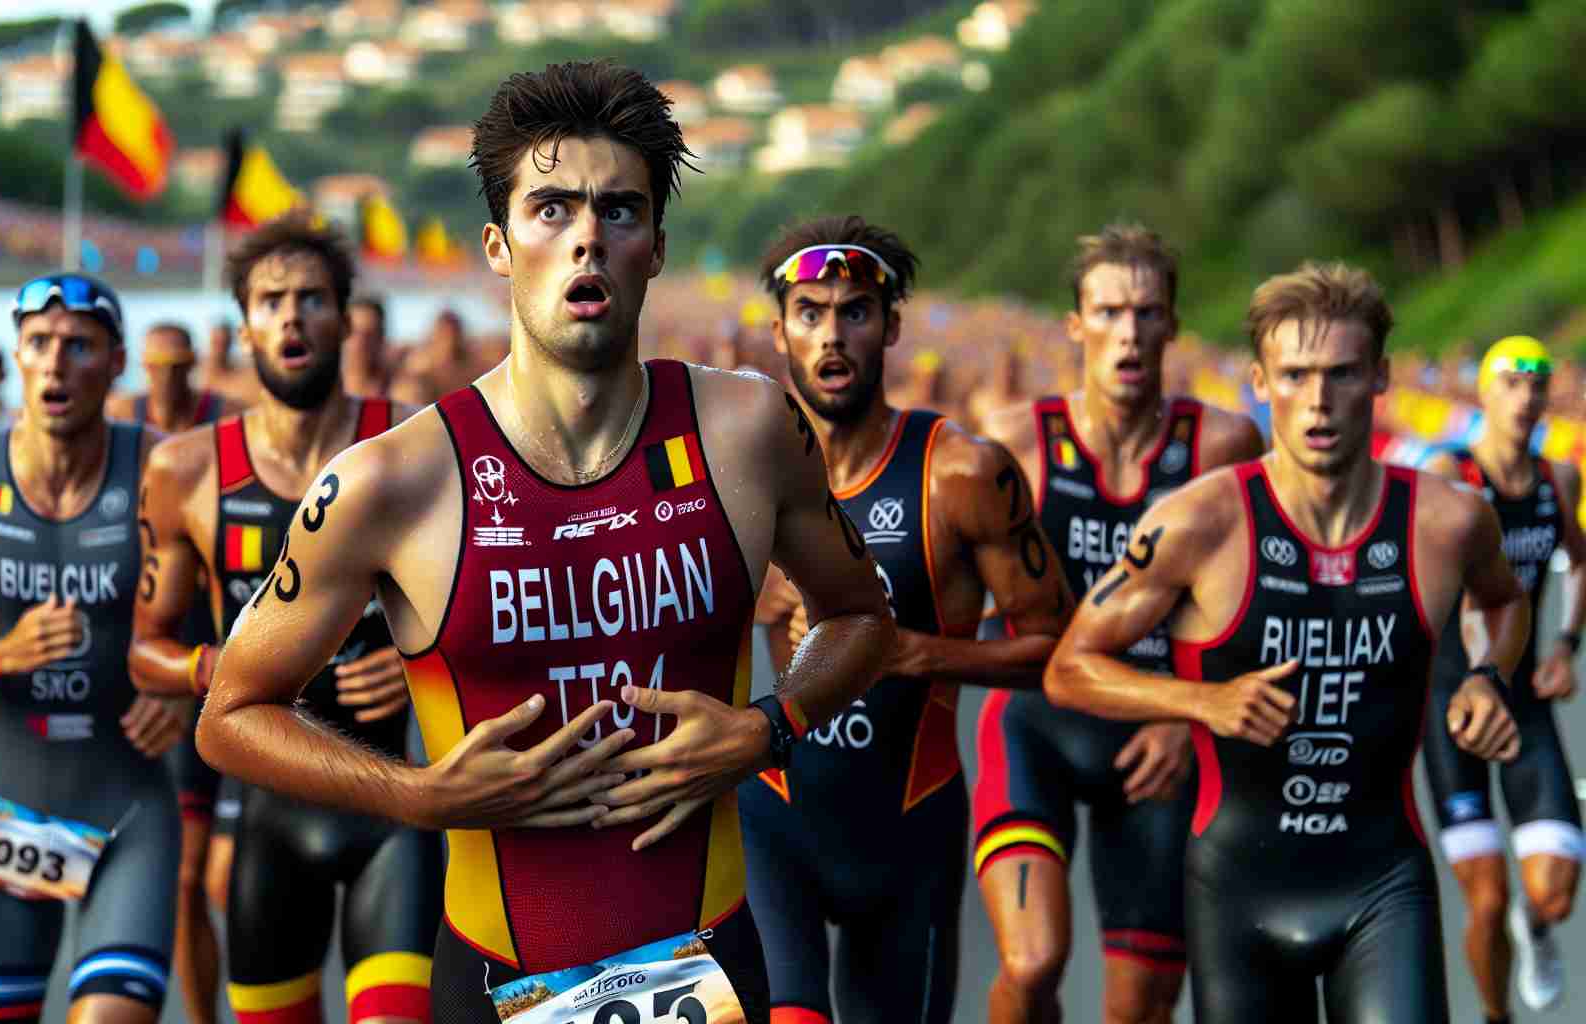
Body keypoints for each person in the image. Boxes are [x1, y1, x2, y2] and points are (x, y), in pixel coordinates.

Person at [197, 62, 895, 1024]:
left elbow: (862, 617)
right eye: (552, 210)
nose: (586, 242)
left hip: (715, 971)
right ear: (498, 243)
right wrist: (418, 795)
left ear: (655, 247)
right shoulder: (391, 481)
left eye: (618, 212)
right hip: (493, 981)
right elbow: (229, 714)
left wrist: (771, 726)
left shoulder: (749, 431)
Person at [1045, 261, 1527, 1023]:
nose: (1318, 401)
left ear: (1380, 378)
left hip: (1382, 884)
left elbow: (1504, 602)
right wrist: (1200, 701)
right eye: (1295, 375)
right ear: (1261, 385)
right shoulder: (1200, 523)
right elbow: (1071, 668)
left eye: (1341, 374)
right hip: (1236, 894)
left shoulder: (1448, 521)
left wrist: (1487, 679)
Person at [744, 216, 1074, 1024]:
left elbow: (1061, 653)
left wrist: (914, 654)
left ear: (890, 326)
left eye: (854, 311)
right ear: (779, 328)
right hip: (776, 824)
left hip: (906, 834)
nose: (832, 336)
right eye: (811, 312)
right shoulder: (739, 473)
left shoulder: (962, 472)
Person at [128, 215, 440, 1024]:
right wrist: (224, 675)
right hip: (269, 821)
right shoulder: (186, 470)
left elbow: (483, 607)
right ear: (244, 327)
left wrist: (417, 664)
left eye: (312, 299)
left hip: (393, 807)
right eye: (272, 302)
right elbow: (145, 650)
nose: (292, 316)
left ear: (346, 317)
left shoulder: (412, 443)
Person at [972, 225, 1265, 1023]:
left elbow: (1252, 608)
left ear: (1172, 325)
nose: (1128, 332)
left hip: (1160, 743)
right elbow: (935, 585)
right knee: (1031, 966)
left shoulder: (1221, 444)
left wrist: (1182, 712)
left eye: (1146, 312)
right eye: (1108, 312)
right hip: (1040, 726)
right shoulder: (1017, 441)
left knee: (1139, 1009)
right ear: (1076, 326)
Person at [0, 273, 189, 1024]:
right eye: (39, 344)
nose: (56, 364)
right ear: (17, 355)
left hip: (129, 809)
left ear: (116, 362)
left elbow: (245, 622)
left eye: (79, 346)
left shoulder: (167, 472)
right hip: (10, 811)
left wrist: (187, 684)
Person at [1421, 334, 1583, 1019]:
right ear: (1483, 393)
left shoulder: (1558, 480)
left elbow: (1580, 560)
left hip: (1522, 699)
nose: (1525, 397)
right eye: (1510, 382)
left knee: (1553, 890)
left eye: (1536, 384)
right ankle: (1497, 1017)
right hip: (1451, 705)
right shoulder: (1446, 472)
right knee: (1484, 899)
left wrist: (1565, 644)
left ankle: (1537, 932)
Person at [107, 319, 229, 1024]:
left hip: (222, 661)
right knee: (187, 878)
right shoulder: (124, 434)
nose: (167, 380)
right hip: (167, 665)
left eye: (178, 366)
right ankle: (203, 1015)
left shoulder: (219, 430)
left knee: (221, 877)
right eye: (155, 367)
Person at [107, 322, 226, 431]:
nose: (166, 376)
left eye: (176, 365)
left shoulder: (225, 414)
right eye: (157, 365)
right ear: (145, 365)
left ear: (192, 362)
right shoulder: (120, 414)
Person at [388, 309, 481, 406]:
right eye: (444, 336)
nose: (448, 344)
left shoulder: (471, 369)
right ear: (434, 337)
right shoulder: (418, 367)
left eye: (452, 336)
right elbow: (401, 400)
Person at [344, 295, 400, 398]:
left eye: (369, 334)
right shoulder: (325, 391)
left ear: (382, 337)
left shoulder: (400, 390)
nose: (360, 342)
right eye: (353, 332)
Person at [200, 319, 259, 406]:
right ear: (209, 341)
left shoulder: (247, 378)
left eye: (224, 343)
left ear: (230, 342)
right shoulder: (195, 376)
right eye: (216, 342)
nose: (220, 349)